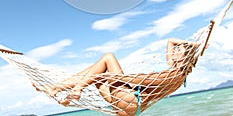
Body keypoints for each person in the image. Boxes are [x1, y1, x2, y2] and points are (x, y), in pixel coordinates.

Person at [34, 38, 200, 116]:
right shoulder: (177, 71)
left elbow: (143, 80)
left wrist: (116, 76)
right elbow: (170, 41)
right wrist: (197, 45)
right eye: (177, 49)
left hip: (130, 100)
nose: (175, 50)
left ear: (185, 58)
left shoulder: (174, 74)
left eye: (180, 50)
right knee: (95, 73)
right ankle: (57, 89)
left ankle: (71, 89)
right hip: (129, 106)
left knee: (108, 57)